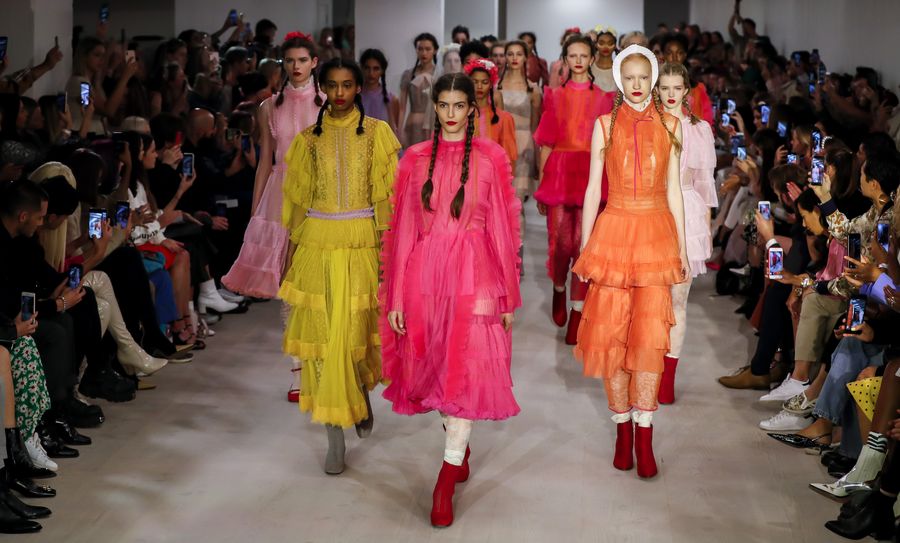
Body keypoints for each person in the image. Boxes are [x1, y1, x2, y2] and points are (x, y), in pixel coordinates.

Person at [380, 72, 522, 527]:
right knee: (439, 370)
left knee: (466, 370)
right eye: (444, 105)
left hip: (477, 273)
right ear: (435, 107)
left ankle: (445, 478)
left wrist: (508, 295)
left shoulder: (491, 157)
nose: (451, 114)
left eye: (460, 105)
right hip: (425, 276)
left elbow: (502, 229)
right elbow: (403, 230)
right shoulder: (415, 159)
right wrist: (396, 295)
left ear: (472, 109)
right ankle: (457, 450)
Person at [280, 57, 400, 475]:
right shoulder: (308, 141)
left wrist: (389, 254)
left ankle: (358, 393)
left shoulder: (378, 134)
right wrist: (290, 255)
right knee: (323, 337)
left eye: (347, 85)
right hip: (317, 243)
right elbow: (298, 203)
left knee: (353, 334)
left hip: (362, 242)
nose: (340, 93)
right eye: (332, 86)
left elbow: (388, 200)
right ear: (323, 89)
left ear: (358, 87)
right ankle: (334, 435)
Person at [574, 45, 689, 479]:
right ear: (619, 81)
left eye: (644, 77)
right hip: (614, 234)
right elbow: (592, 190)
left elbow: (674, 190)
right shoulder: (604, 125)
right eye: (629, 77)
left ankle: (645, 434)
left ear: (653, 79)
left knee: (648, 338)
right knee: (612, 337)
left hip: (655, 236)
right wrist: (585, 247)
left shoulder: (671, 124)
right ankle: (622, 429)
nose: (637, 84)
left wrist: (681, 250)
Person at [222, 33, 323, 300]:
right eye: (290, 60)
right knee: (286, 275)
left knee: (312, 270)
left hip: (317, 190)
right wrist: (256, 210)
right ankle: (292, 325)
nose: (296, 66)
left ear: (314, 62)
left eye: (302, 60)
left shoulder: (326, 104)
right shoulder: (268, 107)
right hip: (280, 191)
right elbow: (265, 161)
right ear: (283, 64)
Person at [533, 34, 614, 343]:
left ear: (592, 59)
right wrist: (542, 184)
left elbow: (609, 145)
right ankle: (558, 287)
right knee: (559, 243)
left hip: (592, 173)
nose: (578, 61)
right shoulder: (553, 95)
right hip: (559, 174)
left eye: (583, 55)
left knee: (584, 243)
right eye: (572, 56)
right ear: (565, 60)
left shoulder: (605, 98)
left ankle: (577, 312)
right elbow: (546, 143)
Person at [656, 62, 718, 403]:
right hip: (650, 213)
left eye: (676, 88)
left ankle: (667, 379)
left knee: (678, 301)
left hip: (687, 214)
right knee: (649, 301)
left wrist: (704, 230)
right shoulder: (647, 123)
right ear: (657, 90)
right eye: (664, 88)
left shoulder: (699, 130)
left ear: (686, 90)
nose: (670, 94)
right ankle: (648, 370)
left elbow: (705, 184)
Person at [498, 41, 542, 200]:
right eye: (510, 54)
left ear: (526, 57)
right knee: (501, 194)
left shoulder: (533, 89)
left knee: (518, 197)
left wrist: (538, 159)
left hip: (524, 145)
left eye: (519, 54)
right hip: (501, 143)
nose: (514, 58)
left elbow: (535, 126)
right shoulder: (496, 87)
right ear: (505, 57)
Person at [463, 58, 517, 167]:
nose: (479, 86)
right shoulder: (460, 116)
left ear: (491, 84)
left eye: (484, 82)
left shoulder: (503, 118)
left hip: (494, 172)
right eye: (475, 82)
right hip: (465, 171)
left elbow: (509, 157)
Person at [398, 33, 438, 148]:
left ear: (435, 50)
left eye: (428, 49)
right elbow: (402, 108)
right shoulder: (408, 74)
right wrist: (399, 132)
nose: (424, 53)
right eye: (420, 49)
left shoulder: (439, 74)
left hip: (433, 125)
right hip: (413, 125)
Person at [359, 49, 400, 136]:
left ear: (382, 70)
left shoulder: (391, 100)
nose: (371, 73)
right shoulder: (354, 98)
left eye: (376, 69)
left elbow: (394, 131)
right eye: (367, 68)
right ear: (362, 68)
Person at [590, 26, 617, 92]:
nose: (605, 47)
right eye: (601, 43)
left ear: (615, 46)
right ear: (596, 44)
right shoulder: (589, 68)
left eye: (610, 43)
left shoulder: (620, 69)